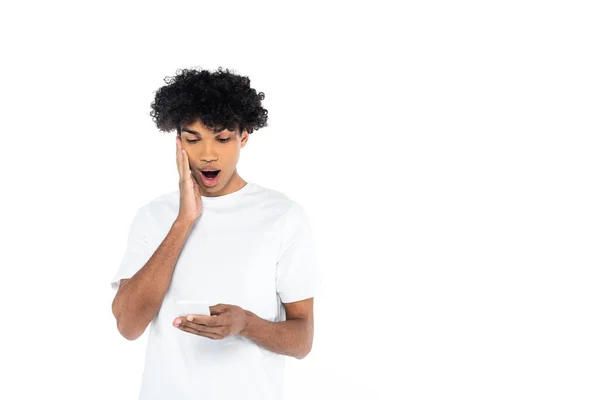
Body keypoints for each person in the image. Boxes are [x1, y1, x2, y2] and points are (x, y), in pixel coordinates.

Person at [110, 67, 321, 400]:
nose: (207, 154)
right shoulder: (153, 217)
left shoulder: (282, 216)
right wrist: (184, 221)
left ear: (244, 137)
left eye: (222, 138)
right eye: (193, 139)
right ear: (178, 142)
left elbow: (302, 340)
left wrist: (246, 324)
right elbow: (128, 326)